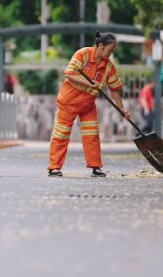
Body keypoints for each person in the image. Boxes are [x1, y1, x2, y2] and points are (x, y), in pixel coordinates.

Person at [47, 32, 128, 178]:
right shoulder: (82, 54)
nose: (111, 54)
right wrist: (90, 83)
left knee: (92, 136)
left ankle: (95, 167)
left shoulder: (108, 66)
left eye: (112, 52)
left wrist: (121, 109)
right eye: (110, 50)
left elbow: (115, 88)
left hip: (88, 105)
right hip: (68, 102)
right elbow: (69, 73)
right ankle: (54, 167)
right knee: (61, 135)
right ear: (100, 46)